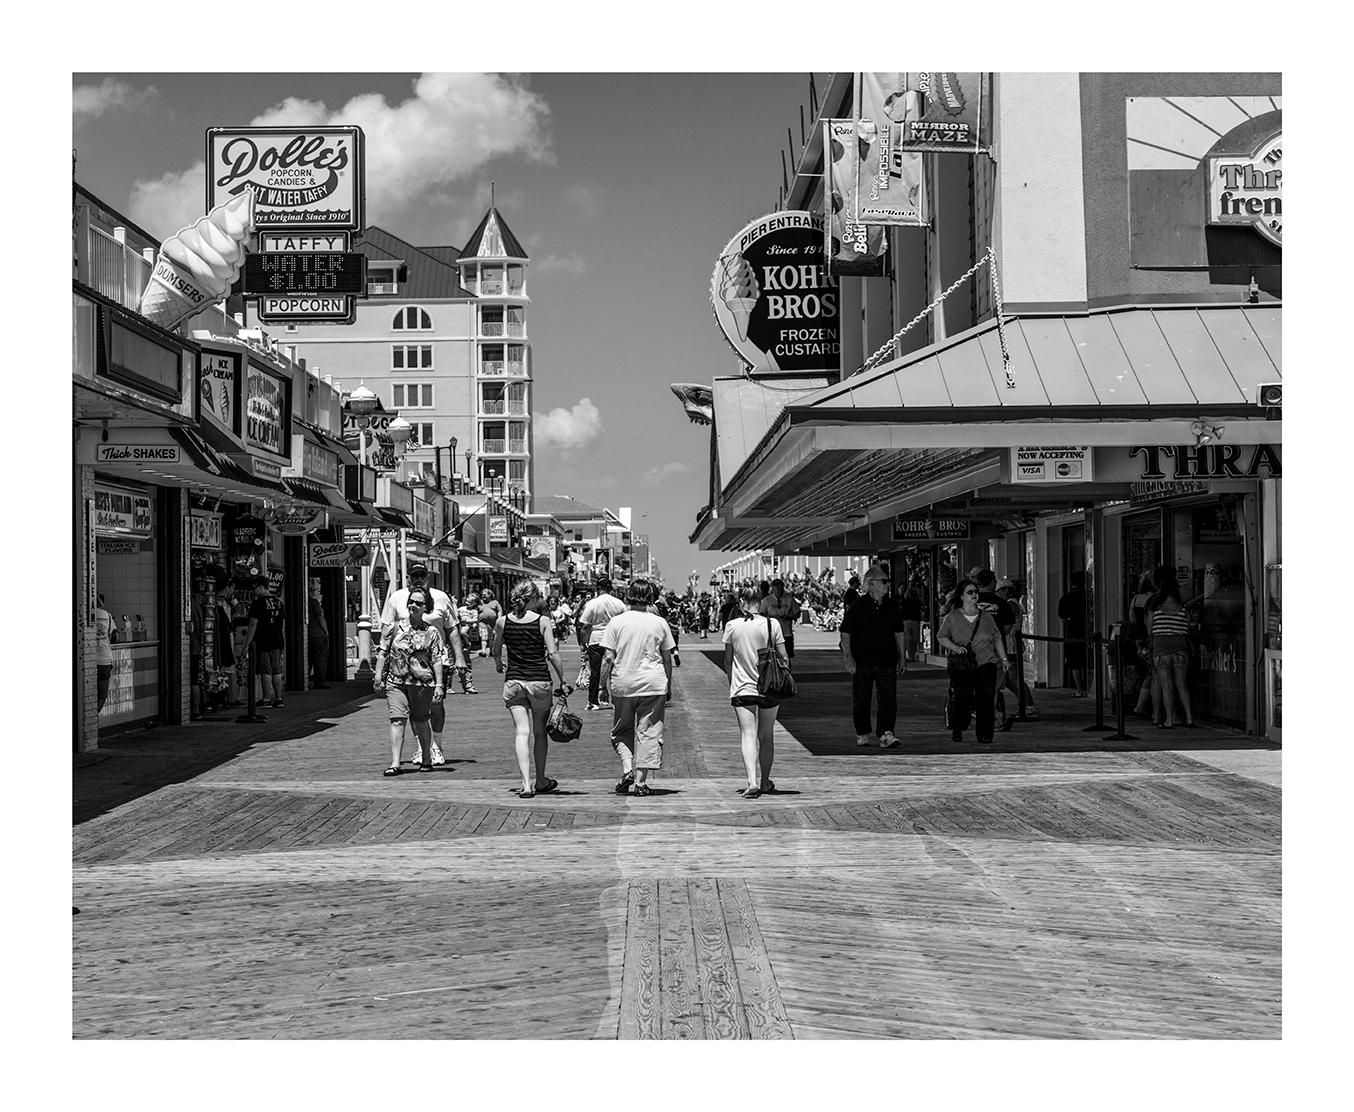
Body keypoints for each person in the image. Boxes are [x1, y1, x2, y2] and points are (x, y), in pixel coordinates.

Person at [381, 563, 470, 763]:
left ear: (428, 577)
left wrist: (460, 658)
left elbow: (452, 628)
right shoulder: (396, 598)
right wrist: (382, 662)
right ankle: (422, 747)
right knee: (415, 709)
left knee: (436, 704)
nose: (418, 579)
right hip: (405, 666)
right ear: (408, 578)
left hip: (437, 661)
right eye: (414, 576)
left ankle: (436, 745)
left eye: (422, 575)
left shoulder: (441, 597)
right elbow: (387, 630)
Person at [492, 581, 568, 798]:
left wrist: (499, 664)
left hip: (514, 682)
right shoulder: (543, 621)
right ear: (534, 598)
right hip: (539, 682)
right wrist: (563, 679)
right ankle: (541, 779)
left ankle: (525, 784)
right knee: (539, 732)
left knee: (521, 732)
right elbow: (552, 653)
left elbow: (496, 650)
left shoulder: (502, 621)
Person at [599, 578, 675, 797]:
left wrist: (602, 686)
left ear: (628, 596)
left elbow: (607, 657)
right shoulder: (659, 623)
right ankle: (640, 782)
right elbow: (667, 658)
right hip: (653, 683)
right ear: (650, 597)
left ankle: (626, 769)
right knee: (649, 732)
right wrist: (667, 683)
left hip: (623, 683)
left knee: (621, 730)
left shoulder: (616, 622)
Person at [372, 587, 449, 776]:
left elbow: (437, 659)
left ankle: (426, 759)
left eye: (418, 603)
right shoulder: (395, 627)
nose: (413, 605)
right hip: (395, 681)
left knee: (421, 720)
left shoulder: (432, 632)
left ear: (426, 607)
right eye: (411, 602)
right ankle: (395, 763)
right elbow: (383, 652)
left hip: (422, 684)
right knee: (397, 720)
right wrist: (378, 675)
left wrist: (439, 685)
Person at [723, 584, 787, 798]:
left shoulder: (732, 626)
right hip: (769, 686)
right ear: (760, 602)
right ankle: (766, 781)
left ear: (741, 603)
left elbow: (728, 660)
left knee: (748, 734)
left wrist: (732, 684)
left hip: (742, 687)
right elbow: (784, 657)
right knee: (766, 736)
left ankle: (751, 782)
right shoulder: (772, 624)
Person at [839, 563, 909, 749]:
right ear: (871, 584)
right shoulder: (858, 605)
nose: (887, 585)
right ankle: (862, 732)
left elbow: (899, 633)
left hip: (887, 659)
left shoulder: (892, 605)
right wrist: (848, 657)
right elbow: (845, 632)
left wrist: (903, 657)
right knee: (861, 698)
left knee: (888, 698)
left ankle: (887, 733)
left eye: (888, 581)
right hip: (862, 660)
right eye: (884, 581)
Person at [938, 580, 1008, 745]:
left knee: (986, 698)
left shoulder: (987, 617)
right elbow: (941, 636)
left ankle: (985, 734)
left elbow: (997, 637)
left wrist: (1004, 659)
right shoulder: (953, 617)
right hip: (963, 664)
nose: (974, 595)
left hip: (986, 662)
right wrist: (954, 647)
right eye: (970, 592)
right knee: (962, 698)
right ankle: (958, 727)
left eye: (975, 592)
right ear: (962, 596)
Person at [1146, 565, 1196, 729]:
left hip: (1161, 648)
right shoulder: (1182, 608)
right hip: (1180, 648)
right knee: (1182, 685)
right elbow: (1187, 629)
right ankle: (1189, 718)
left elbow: (1149, 629)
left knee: (1166, 686)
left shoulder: (1155, 607)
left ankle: (1168, 720)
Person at [974, 570, 1018, 730]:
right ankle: (992, 718)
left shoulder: (967, 602)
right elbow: (1006, 629)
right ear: (993, 583)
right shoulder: (1002, 604)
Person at [578, 576, 626, 711]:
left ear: (598, 588)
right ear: (610, 589)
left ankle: (593, 702)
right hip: (614, 640)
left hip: (596, 640)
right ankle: (616, 700)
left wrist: (583, 644)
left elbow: (585, 626)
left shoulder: (593, 603)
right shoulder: (619, 603)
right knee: (615, 671)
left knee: (595, 672)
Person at [996, 579, 1039, 720]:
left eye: (1000, 591)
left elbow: (1006, 625)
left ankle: (1029, 707)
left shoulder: (1011, 604)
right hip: (1009, 645)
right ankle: (1024, 705)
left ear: (1006, 590)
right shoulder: (1010, 604)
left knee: (1014, 678)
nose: (998, 594)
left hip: (1011, 646)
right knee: (1009, 680)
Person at [242, 576, 286, 708]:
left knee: (265, 670)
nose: (254, 591)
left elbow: (253, 625)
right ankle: (278, 699)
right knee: (276, 669)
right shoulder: (279, 603)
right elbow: (282, 624)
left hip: (263, 641)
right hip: (277, 640)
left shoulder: (258, 603)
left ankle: (266, 699)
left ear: (261, 587)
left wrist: (247, 644)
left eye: (255, 588)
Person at [1129, 572, 1159, 718]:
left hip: (1139, 640)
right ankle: (1146, 707)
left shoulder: (1135, 599)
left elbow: (1132, 621)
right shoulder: (1153, 599)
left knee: (1150, 672)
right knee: (1153, 673)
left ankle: (1143, 706)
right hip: (1150, 638)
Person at [1058, 570, 1089, 697]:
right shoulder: (1089, 596)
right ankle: (1091, 684)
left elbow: (1062, 616)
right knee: (1087, 657)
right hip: (1088, 630)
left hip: (1073, 631)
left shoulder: (1066, 598)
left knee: (1074, 660)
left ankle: (1079, 689)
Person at [760, 577, 799, 672]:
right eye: (777, 587)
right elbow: (761, 613)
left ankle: (787, 674)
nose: (779, 590)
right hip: (771, 633)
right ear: (772, 588)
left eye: (781, 587)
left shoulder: (789, 599)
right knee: (772, 655)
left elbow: (797, 612)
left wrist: (790, 616)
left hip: (786, 633)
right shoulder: (766, 600)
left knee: (786, 656)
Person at [307, 577, 330, 689]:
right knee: (320, 659)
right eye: (317, 591)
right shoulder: (314, 602)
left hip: (309, 635)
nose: (318, 594)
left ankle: (305, 679)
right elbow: (321, 619)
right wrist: (326, 632)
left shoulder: (305, 602)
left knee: (309, 659)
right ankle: (319, 681)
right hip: (318, 635)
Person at [94, 594, 114, 712]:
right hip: (104, 660)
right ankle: (93, 720)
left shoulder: (80, 612)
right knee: (102, 695)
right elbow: (110, 636)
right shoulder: (107, 616)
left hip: (88, 661)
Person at [457, 592, 482, 675]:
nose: (467, 603)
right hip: (460, 624)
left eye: (470, 602)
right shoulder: (461, 608)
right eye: (467, 601)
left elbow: (475, 619)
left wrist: (468, 621)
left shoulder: (474, 611)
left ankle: (468, 642)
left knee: (463, 632)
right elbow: (456, 614)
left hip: (467, 625)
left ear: (474, 603)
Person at [477, 587, 503, 657]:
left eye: (485, 594)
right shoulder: (479, 602)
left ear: (490, 595)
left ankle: (491, 651)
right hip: (482, 623)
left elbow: (499, 611)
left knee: (491, 638)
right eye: (482, 594)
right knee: (484, 637)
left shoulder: (495, 602)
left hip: (493, 623)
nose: (483, 596)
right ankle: (483, 651)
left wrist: (499, 618)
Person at [899, 585, 923, 663]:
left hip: (906, 621)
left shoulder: (904, 601)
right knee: (914, 639)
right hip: (915, 621)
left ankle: (910, 656)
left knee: (908, 639)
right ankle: (913, 654)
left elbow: (901, 611)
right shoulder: (917, 602)